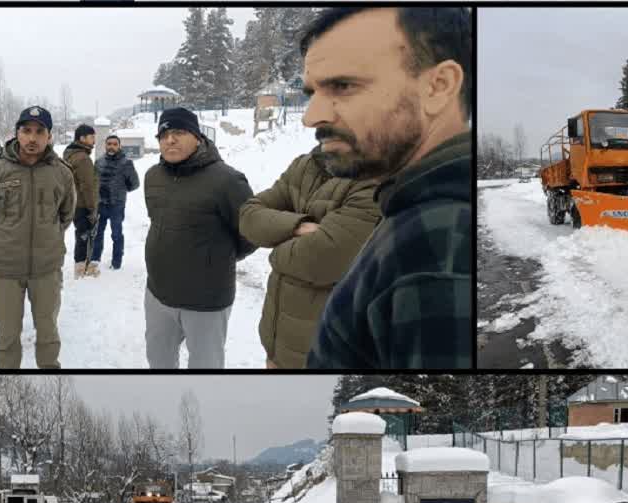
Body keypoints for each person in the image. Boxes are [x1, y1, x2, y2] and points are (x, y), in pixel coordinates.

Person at [299, 7, 473, 369]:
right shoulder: (413, 212)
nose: (311, 116)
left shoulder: (438, 242)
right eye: (312, 92)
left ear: (438, 87)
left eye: (343, 86)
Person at [239, 148, 380, 368]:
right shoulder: (306, 165)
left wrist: (275, 240)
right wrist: (296, 227)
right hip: (277, 346)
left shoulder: (378, 177)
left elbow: (323, 260)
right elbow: (248, 215)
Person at [143, 107, 256, 368]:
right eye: (164, 134)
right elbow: (158, 221)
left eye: (179, 132)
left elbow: (251, 233)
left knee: (206, 368)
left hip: (206, 302)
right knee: (158, 362)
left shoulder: (228, 181)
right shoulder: (153, 177)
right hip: (158, 294)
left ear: (197, 136)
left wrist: (213, 257)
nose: (170, 139)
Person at [0, 105, 75, 369]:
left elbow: (66, 215)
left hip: (46, 269)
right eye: (26, 130)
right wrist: (2, 239)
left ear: (49, 136)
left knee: (48, 332)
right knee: (7, 335)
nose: (32, 138)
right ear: (17, 133)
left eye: (40, 131)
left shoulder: (62, 172)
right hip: (6, 269)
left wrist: (47, 238)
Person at [94, 134, 140, 270]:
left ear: (119, 146)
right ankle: (95, 258)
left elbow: (134, 184)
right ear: (105, 145)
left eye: (115, 144)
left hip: (116, 205)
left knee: (116, 234)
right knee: (97, 233)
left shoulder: (126, 163)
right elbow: (94, 181)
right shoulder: (99, 162)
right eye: (109, 144)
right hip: (100, 204)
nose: (112, 146)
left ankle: (116, 261)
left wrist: (121, 191)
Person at [63, 124, 101, 278]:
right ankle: (82, 270)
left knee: (81, 235)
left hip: (74, 203)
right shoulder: (83, 158)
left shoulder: (70, 153)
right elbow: (88, 186)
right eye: (92, 137)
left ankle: (80, 268)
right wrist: (92, 209)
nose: (94, 141)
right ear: (82, 138)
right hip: (83, 205)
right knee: (86, 237)